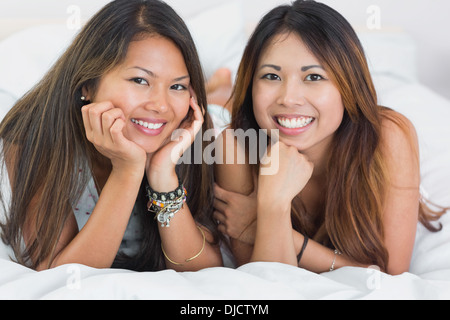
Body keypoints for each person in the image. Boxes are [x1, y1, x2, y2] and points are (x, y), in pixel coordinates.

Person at [213, 0, 447, 275]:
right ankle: (218, 88)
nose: (289, 97)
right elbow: (263, 280)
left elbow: (390, 274)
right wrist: (274, 206)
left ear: (348, 85)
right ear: (252, 83)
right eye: (271, 76)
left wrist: (267, 223)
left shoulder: (390, 137)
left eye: (313, 77)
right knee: (217, 108)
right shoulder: (235, 146)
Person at [0, 0, 224, 272]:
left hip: (198, 116)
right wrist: (127, 171)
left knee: (221, 107)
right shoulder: (32, 138)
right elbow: (61, 274)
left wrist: (163, 177)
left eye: (177, 86)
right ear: (88, 84)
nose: (161, 105)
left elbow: (201, 271)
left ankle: (219, 87)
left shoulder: (190, 133)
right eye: (140, 80)